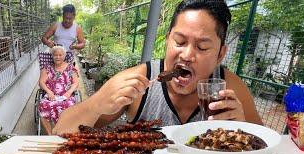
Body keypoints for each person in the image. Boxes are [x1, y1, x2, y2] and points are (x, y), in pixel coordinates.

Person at [53, 0, 263, 135]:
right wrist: (97, 104)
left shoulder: (229, 88)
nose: (187, 55)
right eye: (179, 42)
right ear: (168, 39)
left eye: (202, 47)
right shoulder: (137, 81)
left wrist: (243, 129)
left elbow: (265, 145)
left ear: (220, 54)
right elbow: (60, 131)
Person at [38, 46, 79, 135]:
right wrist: (49, 92)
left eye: (60, 55)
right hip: (51, 95)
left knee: (68, 106)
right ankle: (50, 134)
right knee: (43, 105)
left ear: (64, 56)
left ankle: (62, 132)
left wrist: (69, 93)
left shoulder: (70, 68)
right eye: (55, 55)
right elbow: (41, 82)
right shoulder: (47, 68)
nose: (58, 57)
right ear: (52, 56)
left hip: (66, 95)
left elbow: (75, 83)